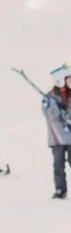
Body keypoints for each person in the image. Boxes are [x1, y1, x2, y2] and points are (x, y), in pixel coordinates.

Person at [42, 64, 71, 199]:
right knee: (58, 165)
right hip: (57, 138)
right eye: (69, 78)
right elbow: (48, 115)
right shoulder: (49, 97)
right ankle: (60, 190)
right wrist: (57, 109)